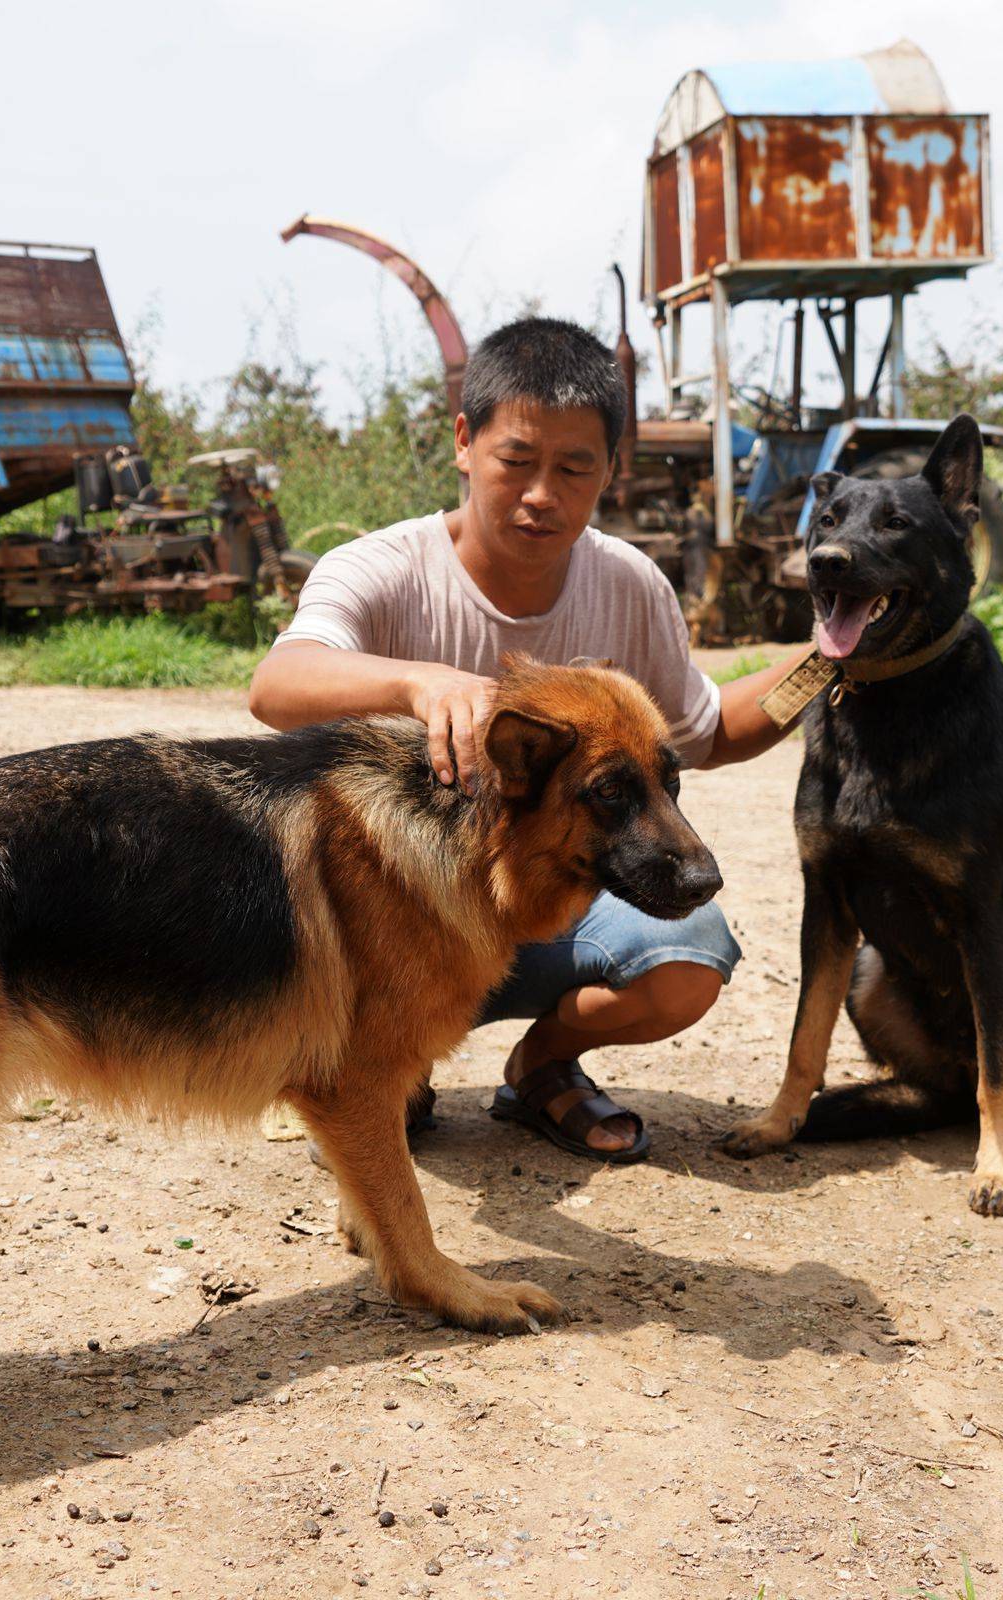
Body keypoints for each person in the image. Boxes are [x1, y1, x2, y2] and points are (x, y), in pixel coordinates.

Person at [248, 316, 800, 1161]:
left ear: (608, 472)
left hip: (544, 918)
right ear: (465, 443)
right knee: (370, 1068)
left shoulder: (631, 585)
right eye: (517, 461)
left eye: (574, 468)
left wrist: (831, 662)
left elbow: (708, 729)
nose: (543, 493)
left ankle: (541, 1065)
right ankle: (386, 1066)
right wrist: (416, 681)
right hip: (407, 931)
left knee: (691, 956)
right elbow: (277, 685)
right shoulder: (383, 568)